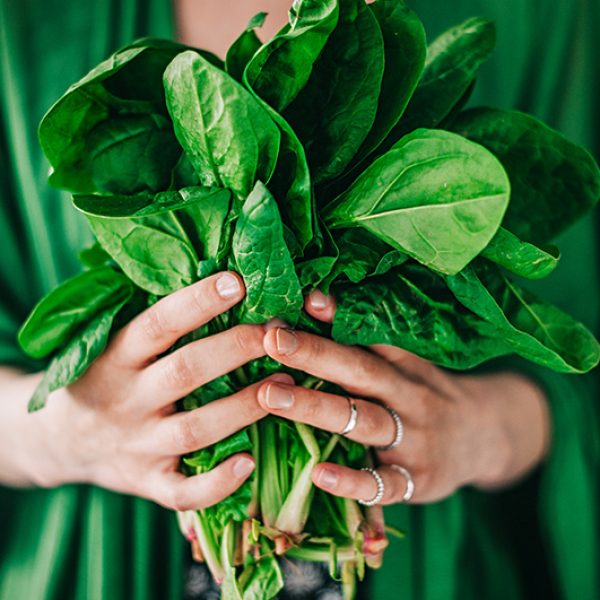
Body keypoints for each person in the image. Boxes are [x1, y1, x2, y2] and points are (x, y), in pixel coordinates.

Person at [0, 1, 597, 599]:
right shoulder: (22, 24)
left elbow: (579, 364)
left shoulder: (543, 15)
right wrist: (64, 435)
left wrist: (481, 430)